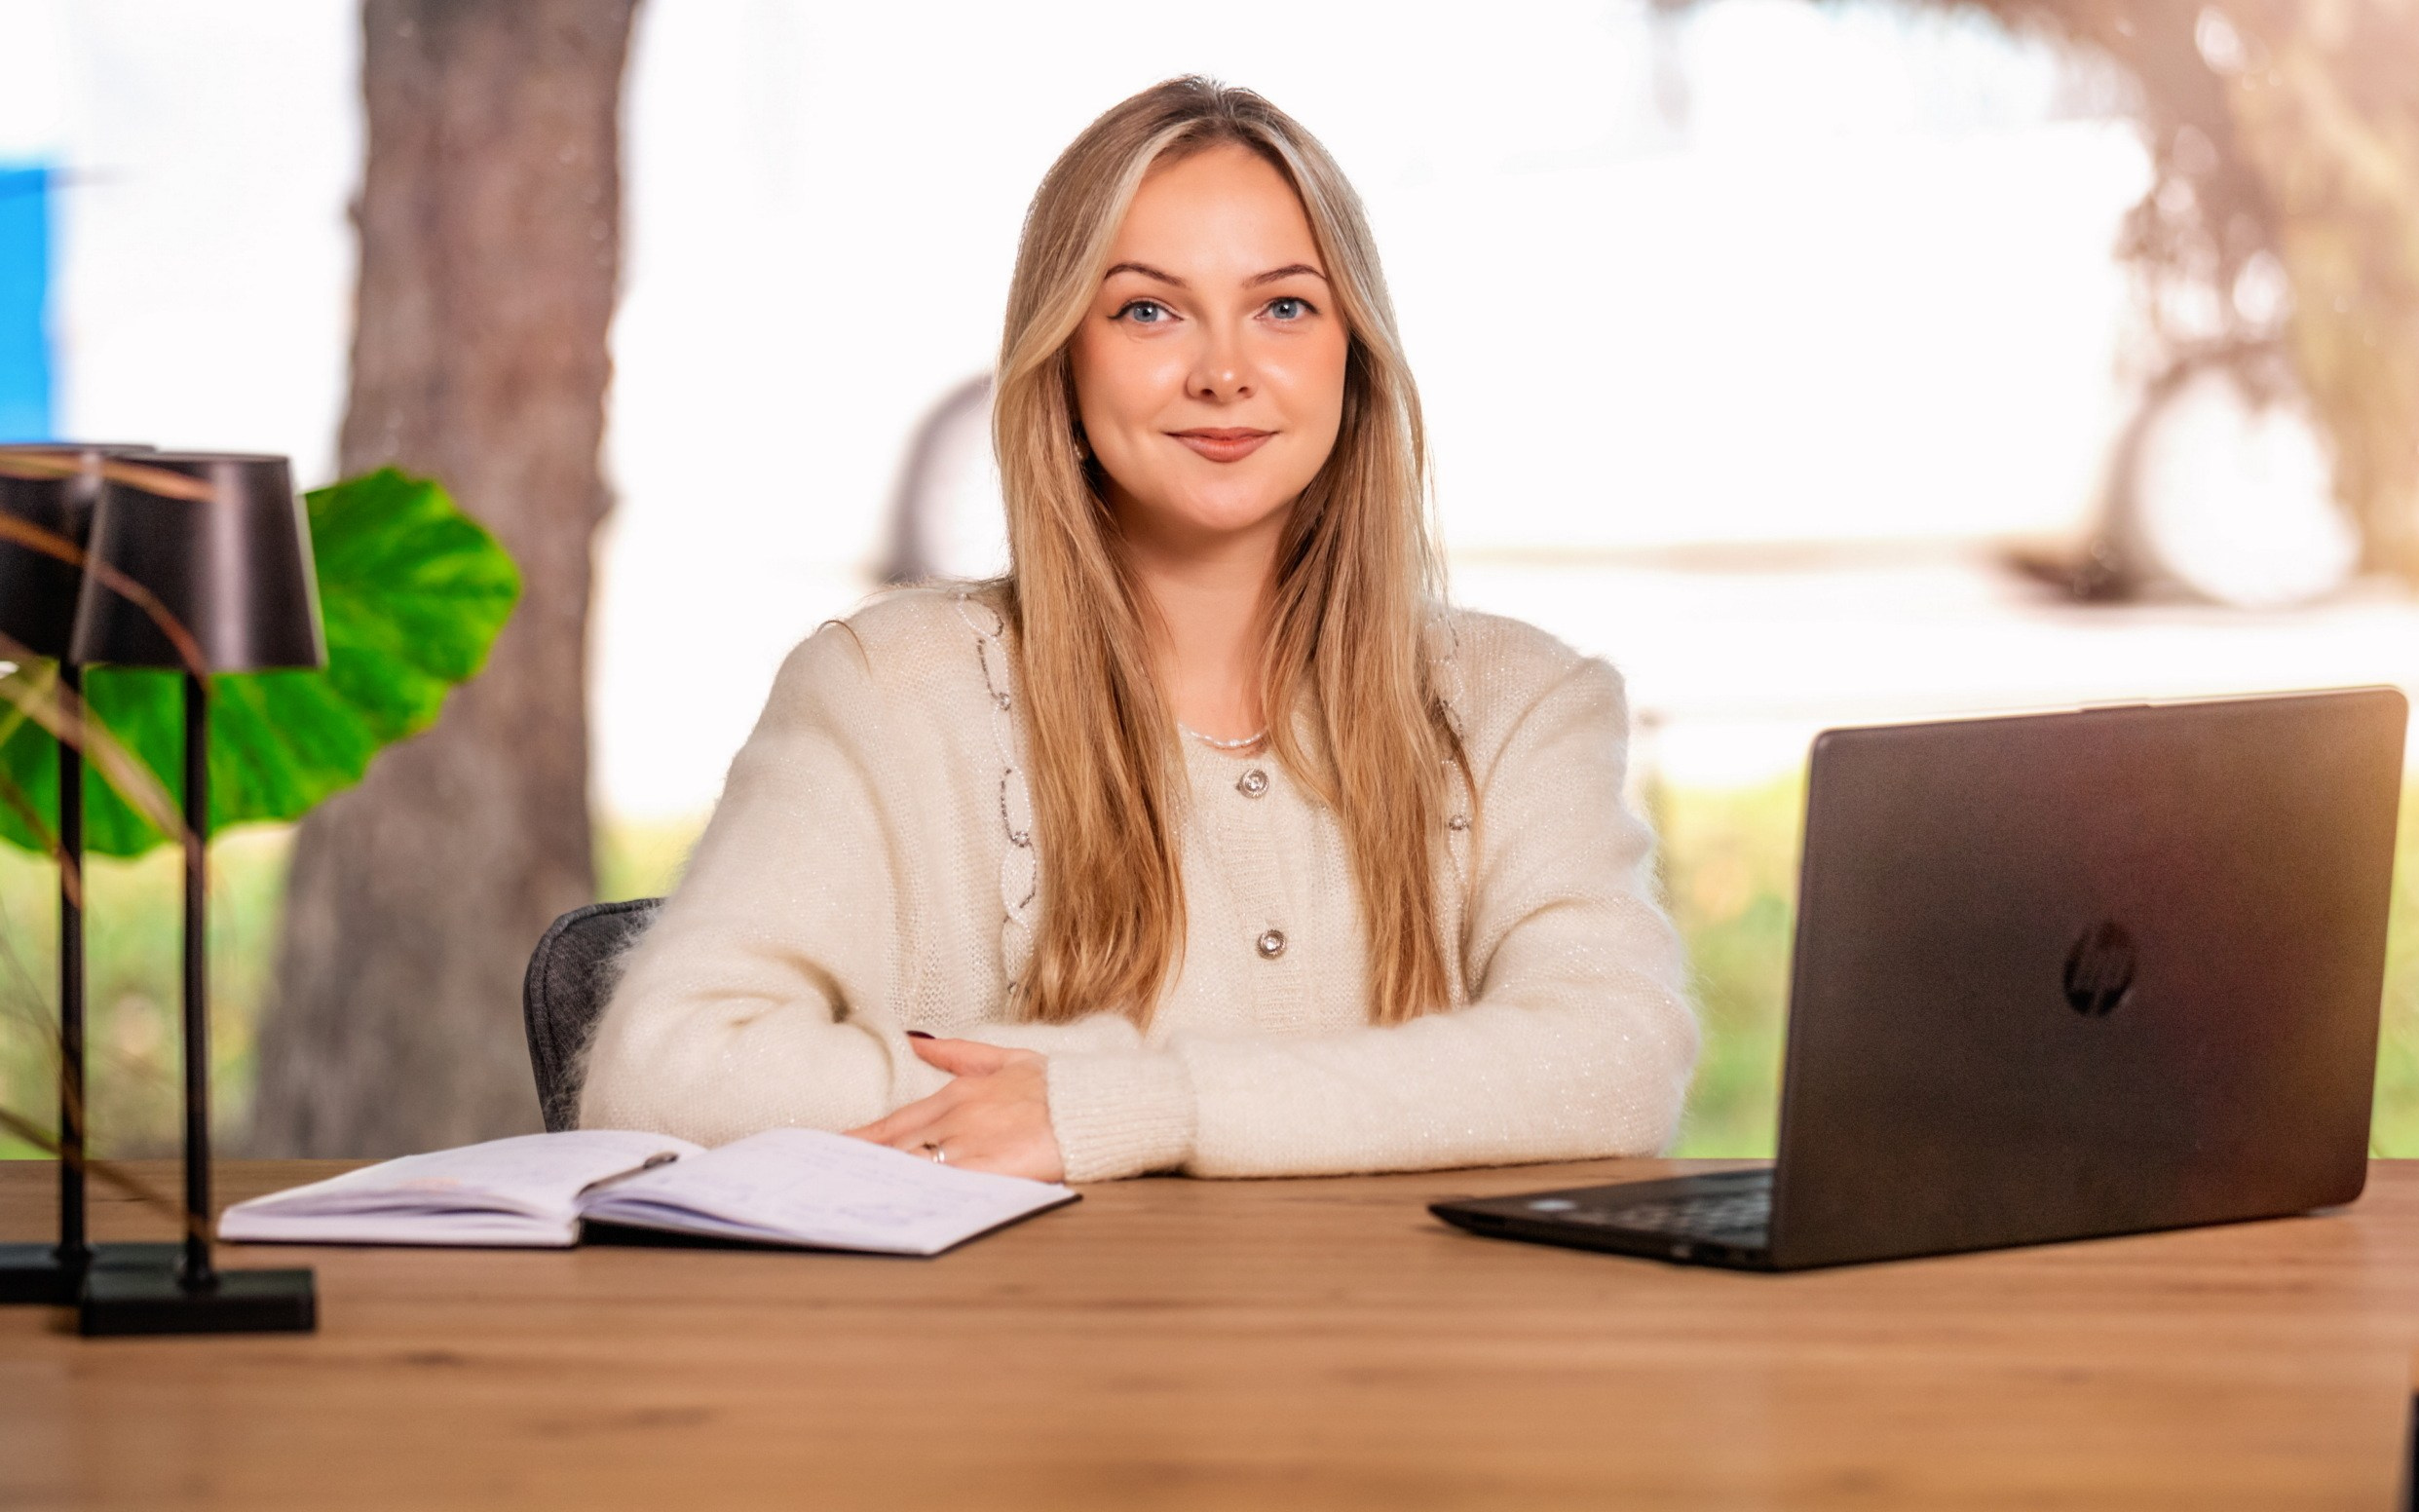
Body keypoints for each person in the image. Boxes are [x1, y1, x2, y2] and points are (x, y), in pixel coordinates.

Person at [582, 77, 1698, 1183]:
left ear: (1352, 358)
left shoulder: (1523, 705)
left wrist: (1114, 1104)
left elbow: (1619, 1056)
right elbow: (663, 1073)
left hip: (1408, 1310)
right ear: (1064, 360)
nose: (1223, 373)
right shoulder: (884, 690)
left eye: (1284, 307)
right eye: (1148, 310)